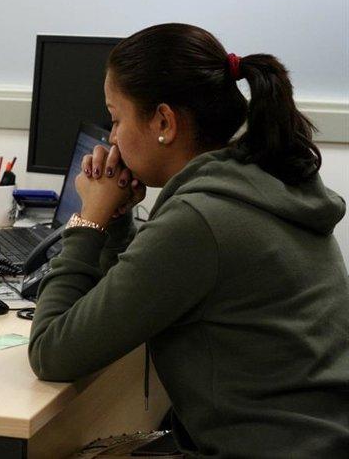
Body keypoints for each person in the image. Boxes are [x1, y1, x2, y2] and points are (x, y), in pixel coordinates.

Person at [28, 23, 349, 456]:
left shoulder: (199, 221)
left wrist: (89, 220)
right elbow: (126, 298)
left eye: (117, 117)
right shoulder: (262, 181)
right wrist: (118, 221)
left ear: (164, 121)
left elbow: (52, 352)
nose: (113, 137)